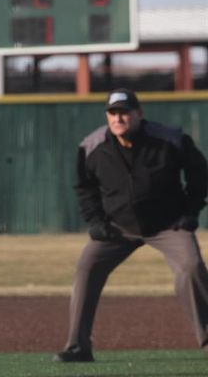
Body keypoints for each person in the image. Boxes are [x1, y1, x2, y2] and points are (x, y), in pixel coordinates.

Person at [55, 88, 208, 362]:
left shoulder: (169, 139)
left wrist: (191, 211)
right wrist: (96, 221)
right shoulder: (92, 146)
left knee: (191, 267)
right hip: (117, 227)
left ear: (139, 114)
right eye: (113, 112)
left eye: (124, 112)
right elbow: (84, 187)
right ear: (107, 116)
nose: (118, 118)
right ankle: (77, 346)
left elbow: (199, 173)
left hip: (168, 225)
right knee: (87, 267)